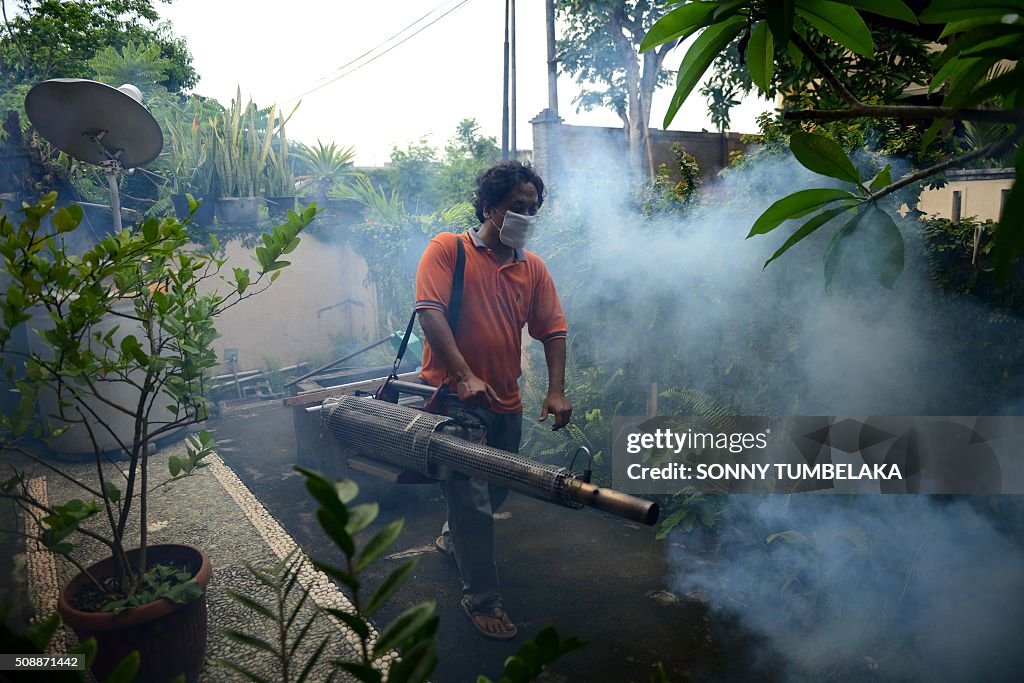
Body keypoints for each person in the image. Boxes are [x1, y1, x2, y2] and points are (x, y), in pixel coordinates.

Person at [414, 160, 572, 639]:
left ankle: (451, 537)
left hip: (506, 400)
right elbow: (429, 311)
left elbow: (554, 330)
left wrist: (557, 389)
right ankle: (482, 598)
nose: (525, 215)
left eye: (532, 208)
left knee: (498, 484)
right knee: (473, 500)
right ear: (488, 208)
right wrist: (462, 375)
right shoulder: (449, 250)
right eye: (515, 207)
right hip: (455, 397)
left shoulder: (532, 268)